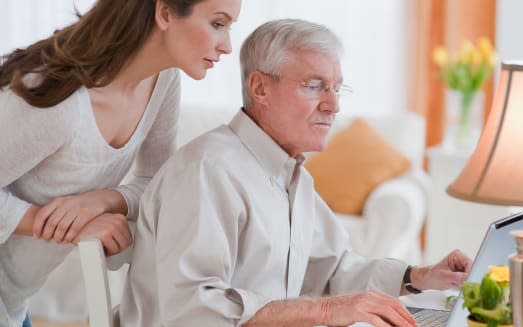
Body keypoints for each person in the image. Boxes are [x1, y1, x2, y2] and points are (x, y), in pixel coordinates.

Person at [121, 18, 472, 327]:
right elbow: (192, 311)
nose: (333, 105)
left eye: (336, 88)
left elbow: (333, 271)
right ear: (260, 88)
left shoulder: (295, 178)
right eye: (314, 85)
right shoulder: (206, 171)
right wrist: (324, 312)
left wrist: (420, 277)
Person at [0, 0, 241, 326]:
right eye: (217, 23)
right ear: (165, 13)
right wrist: (71, 227)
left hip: (15, 300)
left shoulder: (163, 81)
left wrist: (103, 201)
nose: (226, 46)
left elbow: (159, 184)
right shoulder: (60, 101)